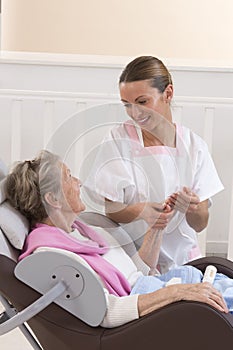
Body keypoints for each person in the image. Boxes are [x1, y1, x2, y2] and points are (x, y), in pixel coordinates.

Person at [5, 150, 230, 328]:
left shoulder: (83, 231)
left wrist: (157, 226)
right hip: (144, 323)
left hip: (151, 290)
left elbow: (138, 272)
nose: (79, 182)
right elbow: (107, 312)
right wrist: (179, 292)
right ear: (53, 198)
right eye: (69, 177)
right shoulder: (52, 256)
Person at [83, 56, 224, 273]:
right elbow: (111, 210)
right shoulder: (117, 140)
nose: (134, 113)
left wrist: (190, 208)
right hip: (134, 261)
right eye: (127, 105)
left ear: (168, 93)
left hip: (183, 262)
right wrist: (143, 211)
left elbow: (200, 223)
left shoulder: (194, 147)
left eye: (142, 102)